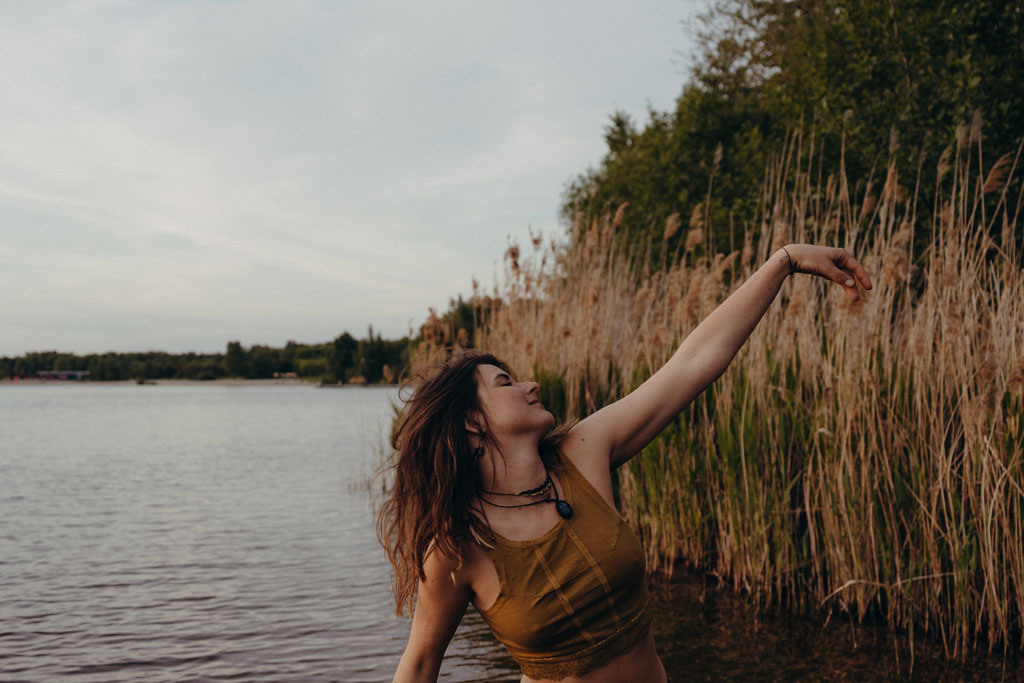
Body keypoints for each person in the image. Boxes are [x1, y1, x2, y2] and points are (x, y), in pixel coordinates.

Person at [380, 244, 872, 682]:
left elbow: (693, 362)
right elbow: (421, 665)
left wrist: (784, 261)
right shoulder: (459, 546)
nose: (529, 385)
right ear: (471, 421)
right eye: (505, 382)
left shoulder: (582, 453)